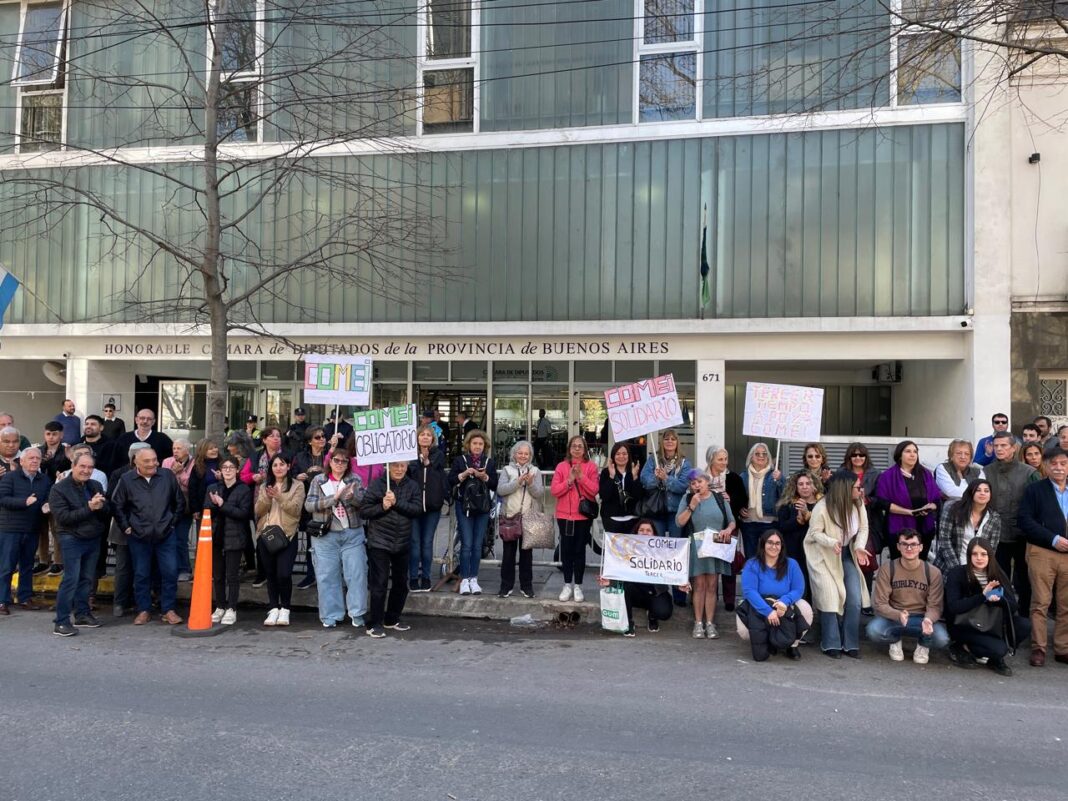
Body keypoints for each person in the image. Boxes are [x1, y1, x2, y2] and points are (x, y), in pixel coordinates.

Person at [110, 448, 185, 625]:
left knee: (170, 572)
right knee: (141, 573)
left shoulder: (167, 476)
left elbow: (179, 501)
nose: (152, 464)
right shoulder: (127, 479)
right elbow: (117, 505)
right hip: (138, 536)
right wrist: (126, 527)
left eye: (154, 460)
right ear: (136, 462)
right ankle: (143, 609)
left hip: (165, 534)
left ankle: (169, 609)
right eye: (147, 461)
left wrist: (172, 523)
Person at [804, 470, 872, 659]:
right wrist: (831, 542)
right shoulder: (822, 507)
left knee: (855, 599)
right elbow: (814, 533)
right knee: (829, 597)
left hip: (846, 554)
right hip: (822, 555)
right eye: (857, 487)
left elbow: (864, 528)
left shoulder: (858, 504)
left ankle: (850, 643)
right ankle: (830, 642)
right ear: (845, 489)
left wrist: (858, 546)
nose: (861, 490)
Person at [944, 537, 1031, 676]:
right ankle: (962, 647)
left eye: (983, 554)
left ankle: (991, 655)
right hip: (965, 625)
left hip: (991, 622)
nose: (979, 558)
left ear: (990, 555)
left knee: (1024, 625)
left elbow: (1013, 606)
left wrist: (999, 600)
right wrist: (982, 596)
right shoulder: (957, 573)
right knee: (999, 650)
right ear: (968, 555)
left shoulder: (997, 573)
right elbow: (953, 607)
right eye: (974, 554)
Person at [1016, 446, 1068, 667]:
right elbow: (1025, 521)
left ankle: (1062, 648)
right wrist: (1053, 538)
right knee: (1040, 603)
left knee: (1066, 604)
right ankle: (1038, 648)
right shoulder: (1035, 490)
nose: (1058, 468)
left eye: (1063, 463)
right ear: (1045, 466)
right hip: (1042, 552)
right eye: (1053, 463)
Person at [47, 451, 108, 635]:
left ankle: (82, 614)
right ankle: (61, 621)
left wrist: (102, 505)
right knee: (71, 579)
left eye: (90, 467)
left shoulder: (95, 485)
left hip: (92, 537)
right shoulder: (58, 489)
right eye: (82, 466)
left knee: (87, 579)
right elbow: (64, 518)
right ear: (73, 466)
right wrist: (89, 508)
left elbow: (106, 512)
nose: (86, 471)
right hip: (71, 538)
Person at [867, 529, 949, 663]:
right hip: (895, 617)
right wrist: (897, 614)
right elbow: (879, 603)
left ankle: (923, 644)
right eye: (904, 544)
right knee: (873, 630)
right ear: (898, 546)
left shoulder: (933, 572)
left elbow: (935, 605)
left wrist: (928, 620)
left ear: (921, 547)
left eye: (913, 544)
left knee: (942, 639)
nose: (909, 548)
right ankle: (895, 639)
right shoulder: (888, 569)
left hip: (921, 618)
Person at [305, 449, 367, 628]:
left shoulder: (354, 479)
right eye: (337, 460)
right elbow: (309, 505)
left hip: (352, 533)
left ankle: (357, 612)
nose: (340, 464)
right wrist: (333, 498)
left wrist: (352, 497)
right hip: (325, 535)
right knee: (326, 576)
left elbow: (363, 503)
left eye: (344, 461)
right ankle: (331, 615)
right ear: (330, 462)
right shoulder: (319, 480)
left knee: (356, 574)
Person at [360, 461, 422, 638]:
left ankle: (392, 618)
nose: (399, 469)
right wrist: (383, 506)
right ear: (388, 467)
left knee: (401, 583)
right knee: (379, 584)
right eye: (395, 466)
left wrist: (396, 502)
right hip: (379, 541)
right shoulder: (378, 484)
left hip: (402, 541)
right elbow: (364, 511)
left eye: (402, 466)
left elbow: (417, 510)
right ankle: (375, 623)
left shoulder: (412, 486)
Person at [676, 469, 736, 640]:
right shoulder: (688, 498)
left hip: (716, 545)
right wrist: (692, 506)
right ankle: (698, 623)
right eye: (693, 483)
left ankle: (710, 623)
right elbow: (679, 522)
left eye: (699, 482)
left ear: (707, 482)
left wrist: (728, 529)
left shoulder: (718, 498)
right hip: (697, 545)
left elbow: (732, 521)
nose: (697, 485)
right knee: (699, 585)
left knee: (712, 585)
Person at [597, 519, 683, 636]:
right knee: (624, 588)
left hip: (654, 592)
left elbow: (672, 572)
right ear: (636, 533)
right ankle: (628, 622)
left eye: (648, 530)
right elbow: (618, 571)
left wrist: (681, 583)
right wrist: (609, 582)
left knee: (664, 612)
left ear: (654, 534)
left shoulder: (663, 553)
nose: (644, 533)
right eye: (641, 530)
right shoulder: (626, 551)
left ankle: (652, 616)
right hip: (633, 592)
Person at [738, 529, 811, 661]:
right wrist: (768, 611)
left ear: (782, 546)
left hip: (784, 605)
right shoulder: (752, 564)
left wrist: (784, 602)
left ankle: (792, 644)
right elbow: (749, 591)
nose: (774, 546)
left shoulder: (791, 564)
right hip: (760, 605)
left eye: (778, 543)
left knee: (805, 607)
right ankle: (768, 642)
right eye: (770, 542)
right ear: (763, 544)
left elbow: (798, 589)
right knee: (743, 631)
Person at [984, 430, 1035, 613]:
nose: (999, 449)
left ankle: (1023, 616)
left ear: (1013, 448)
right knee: (996, 577)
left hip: (1023, 534)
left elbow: (1035, 505)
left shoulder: (1029, 472)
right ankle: (999, 615)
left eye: (1004, 445)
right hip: (996, 534)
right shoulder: (986, 471)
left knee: (1024, 578)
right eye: (996, 445)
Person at [254, 454, 306, 626]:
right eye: (275, 465)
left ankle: (285, 608)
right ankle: (273, 608)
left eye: (282, 464)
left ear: (288, 466)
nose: (278, 468)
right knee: (270, 574)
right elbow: (258, 511)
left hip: (287, 535)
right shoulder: (264, 486)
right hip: (266, 535)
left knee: (283, 574)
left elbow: (296, 510)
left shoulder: (297, 486)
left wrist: (279, 496)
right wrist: (268, 497)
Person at [0, 447, 51, 615]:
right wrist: (24, 502)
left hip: (32, 528)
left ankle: (25, 598)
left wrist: (46, 505)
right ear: (21, 461)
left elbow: (47, 498)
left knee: (28, 565)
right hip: (10, 529)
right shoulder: (10, 477)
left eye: (37, 458)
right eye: (31, 458)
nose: (35, 461)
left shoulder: (44, 480)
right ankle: (2, 601)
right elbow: (3, 499)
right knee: (6, 566)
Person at [448, 429, 498, 595]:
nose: (477, 447)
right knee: (467, 544)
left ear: (485, 446)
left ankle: (474, 578)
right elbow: (451, 480)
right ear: (469, 445)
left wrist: (484, 477)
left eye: (481, 444)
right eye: (474, 443)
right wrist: (464, 474)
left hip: (482, 508)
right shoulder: (460, 460)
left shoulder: (489, 462)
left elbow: (494, 484)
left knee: (477, 545)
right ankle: (464, 579)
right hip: (464, 507)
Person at [550, 435, 599, 602]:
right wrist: (569, 480)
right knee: (566, 551)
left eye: (580, 446)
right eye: (574, 446)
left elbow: (594, 490)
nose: (577, 448)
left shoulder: (591, 467)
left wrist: (580, 477)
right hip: (564, 516)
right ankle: (566, 585)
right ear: (569, 448)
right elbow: (555, 491)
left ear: (584, 449)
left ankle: (578, 585)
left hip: (582, 517)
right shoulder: (561, 467)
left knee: (579, 551)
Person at [873, 440, 940, 560]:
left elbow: (936, 499)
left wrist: (930, 507)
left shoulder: (926, 474)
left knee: (921, 564)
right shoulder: (887, 476)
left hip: (924, 527)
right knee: (899, 564)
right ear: (899, 455)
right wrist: (909, 512)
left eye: (915, 451)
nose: (912, 454)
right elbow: (882, 502)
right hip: (899, 528)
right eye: (908, 451)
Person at [205, 456, 252, 626]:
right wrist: (215, 505)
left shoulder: (244, 489)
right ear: (220, 470)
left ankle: (232, 608)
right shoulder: (213, 487)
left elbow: (243, 514)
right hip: (216, 535)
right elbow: (206, 509)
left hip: (234, 536)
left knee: (232, 575)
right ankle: (219, 606)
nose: (228, 470)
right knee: (217, 575)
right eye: (224, 467)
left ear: (237, 470)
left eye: (231, 467)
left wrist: (222, 505)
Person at [495, 439, 544, 598]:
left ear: (530, 455)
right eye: (520, 453)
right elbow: (501, 490)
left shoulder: (535, 471)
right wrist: (517, 482)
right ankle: (505, 586)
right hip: (510, 517)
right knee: (508, 554)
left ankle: (527, 586)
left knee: (526, 555)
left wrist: (530, 483)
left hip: (528, 518)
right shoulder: (507, 469)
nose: (523, 456)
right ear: (514, 454)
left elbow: (539, 493)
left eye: (526, 453)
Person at [106, 442, 148, 617]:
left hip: (146, 527)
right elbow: (115, 503)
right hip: (125, 528)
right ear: (134, 458)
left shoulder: (153, 474)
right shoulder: (121, 474)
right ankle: (120, 603)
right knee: (123, 567)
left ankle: (140, 603)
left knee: (143, 567)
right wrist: (126, 525)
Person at [406, 425, 448, 593]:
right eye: (422, 434)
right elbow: (409, 473)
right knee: (414, 543)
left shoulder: (438, 454)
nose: (425, 437)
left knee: (427, 542)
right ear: (416, 438)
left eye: (428, 435)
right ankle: (414, 577)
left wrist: (426, 460)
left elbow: (435, 469)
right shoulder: (409, 456)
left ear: (432, 439)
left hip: (432, 506)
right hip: (414, 506)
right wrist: (418, 460)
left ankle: (426, 577)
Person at [705, 445, 747, 611]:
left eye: (725, 459)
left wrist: (731, 499)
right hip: (709, 526)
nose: (724, 462)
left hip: (728, 526)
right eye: (720, 459)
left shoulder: (734, 478)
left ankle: (729, 599)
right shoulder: (703, 477)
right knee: (710, 563)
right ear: (711, 460)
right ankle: (710, 597)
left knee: (728, 562)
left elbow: (743, 500)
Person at [933, 479, 1001, 574]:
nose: (982, 493)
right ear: (970, 492)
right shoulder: (953, 509)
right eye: (978, 490)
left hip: (977, 569)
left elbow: (992, 548)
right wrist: (957, 569)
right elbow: (944, 540)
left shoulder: (994, 518)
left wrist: (980, 568)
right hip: (949, 567)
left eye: (986, 491)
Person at [775, 471, 822, 599]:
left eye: (808, 483)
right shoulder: (787, 504)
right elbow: (782, 527)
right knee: (800, 587)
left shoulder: (822, 504)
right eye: (801, 484)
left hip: (817, 552)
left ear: (814, 486)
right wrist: (798, 520)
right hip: (794, 552)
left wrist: (808, 514)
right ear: (795, 487)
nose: (805, 487)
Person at [292, 426, 328, 590]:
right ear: (309, 441)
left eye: (323, 436)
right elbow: (291, 475)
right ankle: (311, 574)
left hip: (327, 503)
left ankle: (327, 575)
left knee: (328, 541)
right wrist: (297, 476)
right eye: (317, 437)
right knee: (309, 541)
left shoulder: (330, 455)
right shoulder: (300, 457)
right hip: (308, 503)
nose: (322, 439)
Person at [639, 429, 691, 538]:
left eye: (673, 439)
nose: (669, 441)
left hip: (676, 510)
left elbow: (682, 486)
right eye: (666, 439)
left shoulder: (684, 463)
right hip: (656, 509)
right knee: (657, 543)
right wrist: (656, 478)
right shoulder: (653, 459)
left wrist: (666, 478)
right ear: (662, 442)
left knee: (675, 544)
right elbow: (644, 480)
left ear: (677, 442)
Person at [739, 442, 785, 560]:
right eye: (757, 454)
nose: (761, 456)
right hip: (749, 523)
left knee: (770, 557)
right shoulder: (743, 476)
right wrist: (739, 509)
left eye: (764, 454)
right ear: (751, 457)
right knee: (751, 558)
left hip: (769, 523)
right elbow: (737, 498)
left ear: (768, 457)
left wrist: (780, 480)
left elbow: (785, 495)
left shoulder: (774, 475)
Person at [162, 438, 195, 582]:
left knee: (181, 539)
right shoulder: (167, 462)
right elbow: (163, 482)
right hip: (168, 506)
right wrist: (172, 472)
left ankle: (185, 569)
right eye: (174, 448)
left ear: (187, 450)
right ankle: (171, 569)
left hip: (186, 507)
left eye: (179, 448)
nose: (175, 451)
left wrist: (180, 474)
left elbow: (192, 485)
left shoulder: (194, 463)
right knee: (169, 539)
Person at [599, 442, 645, 537]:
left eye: (624, 453)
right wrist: (611, 477)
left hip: (632, 519)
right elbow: (604, 496)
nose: (621, 456)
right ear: (613, 456)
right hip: (611, 519)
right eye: (618, 454)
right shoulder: (606, 472)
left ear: (629, 455)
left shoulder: (635, 471)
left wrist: (634, 477)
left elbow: (638, 496)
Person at [934, 439, 983, 504]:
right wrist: (975, 493)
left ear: (970, 458)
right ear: (951, 455)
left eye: (967, 454)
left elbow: (983, 493)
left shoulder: (978, 472)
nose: (963, 457)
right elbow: (951, 492)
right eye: (959, 453)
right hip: (950, 510)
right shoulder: (942, 468)